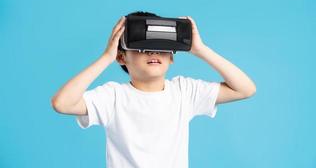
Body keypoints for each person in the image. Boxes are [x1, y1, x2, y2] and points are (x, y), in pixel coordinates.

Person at [51, 11, 256, 168]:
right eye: (142, 47)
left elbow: (245, 89)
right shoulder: (113, 96)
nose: (153, 52)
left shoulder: (184, 91)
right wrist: (106, 57)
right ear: (122, 57)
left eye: (161, 47)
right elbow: (62, 103)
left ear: (172, 57)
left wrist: (201, 50)